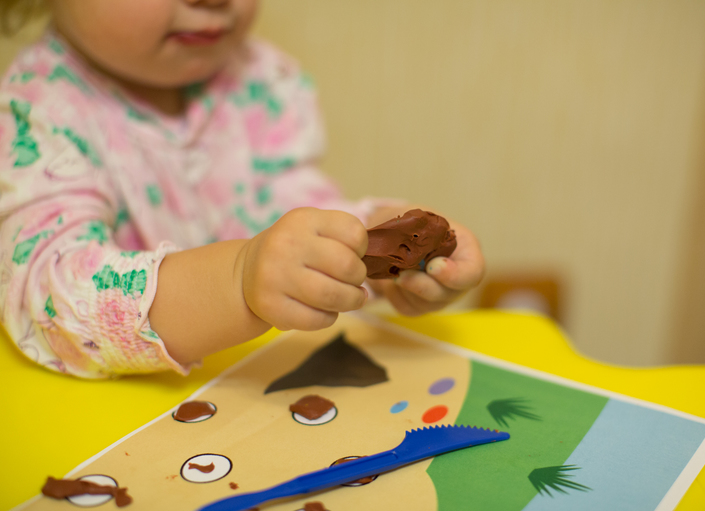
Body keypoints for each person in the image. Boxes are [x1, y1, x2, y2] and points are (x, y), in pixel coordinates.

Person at [0, 0, 484, 378]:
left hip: (249, 395)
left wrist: (374, 243)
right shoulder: (35, 113)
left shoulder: (257, 78)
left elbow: (291, 207)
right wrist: (237, 281)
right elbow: (49, 304)